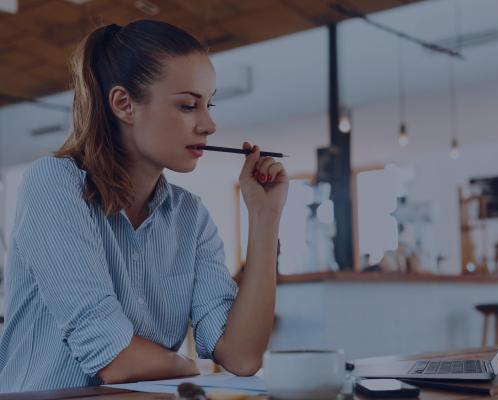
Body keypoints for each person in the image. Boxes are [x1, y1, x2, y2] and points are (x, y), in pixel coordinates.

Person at [0, 20, 288, 392]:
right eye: (188, 105)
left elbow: (242, 356)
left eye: (208, 104)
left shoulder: (191, 217)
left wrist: (265, 217)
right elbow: (114, 358)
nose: (209, 124)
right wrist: (186, 366)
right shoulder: (54, 183)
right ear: (124, 105)